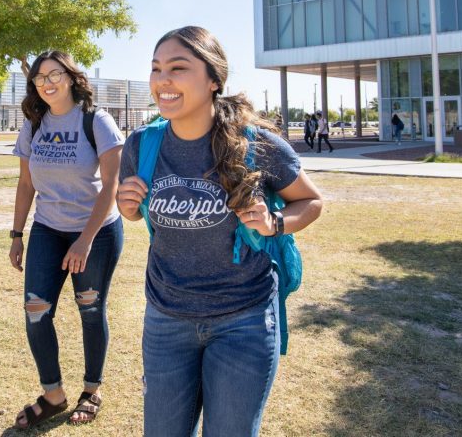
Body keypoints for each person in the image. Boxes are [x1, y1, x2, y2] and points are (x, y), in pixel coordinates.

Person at [116, 27, 323, 437]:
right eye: (156, 69)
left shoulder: (256, 143)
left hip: (243, 320)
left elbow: (311, 202)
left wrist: (274, 223)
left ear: (214, 80)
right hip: (166, 318)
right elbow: (140, 215)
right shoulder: (140, 144)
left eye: (178, 68)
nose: (163, 80)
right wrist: (129, 208)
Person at [10, 50, 125, 429]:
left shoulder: (97, 120)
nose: (46, 82)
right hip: (48, 228)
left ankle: (92, 390)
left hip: (96, 230)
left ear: (72, 77)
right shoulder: (34, 123)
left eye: (54, 74)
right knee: (36, 311)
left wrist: (85, 240)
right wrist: (17, 234)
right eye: (40, 77)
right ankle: (53, 395)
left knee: (90, 309)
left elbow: (112, 184)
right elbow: (26, 183)